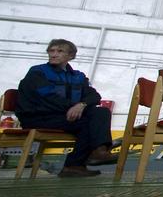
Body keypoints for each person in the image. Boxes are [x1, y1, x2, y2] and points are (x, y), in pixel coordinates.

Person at [16, 39, 116, 177]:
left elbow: (94, 96)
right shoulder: (37, 72)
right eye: (52, 51)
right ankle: (74, 164)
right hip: (38, 117)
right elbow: (47, 97)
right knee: (87, 123)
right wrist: (73, 106)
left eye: (60, 51)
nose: (54, 54)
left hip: (64, 116)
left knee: (101, 112)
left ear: (71, 56)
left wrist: (81, 105)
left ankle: (99, 151)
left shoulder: (77, 76)